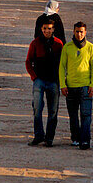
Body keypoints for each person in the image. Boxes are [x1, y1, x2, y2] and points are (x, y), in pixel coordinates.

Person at [59, 21, 93, 149]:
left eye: (82, 32)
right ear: (73, 32)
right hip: (71, 87)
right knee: (73, 115)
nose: (79, 34)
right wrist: (62, 84)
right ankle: (75, 137)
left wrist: (92, 84)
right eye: (77, 31)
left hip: (85, 86)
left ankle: (85, 140)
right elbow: (62, 67)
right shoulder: (67, 47)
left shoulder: (91, 47)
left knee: (86, 114)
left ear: (85, 32)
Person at [25, 18, 63, 146]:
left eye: (50, 28)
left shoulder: (58, 44)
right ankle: (38, 135)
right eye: (45, 28)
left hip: (53, 81)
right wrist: (34, 77)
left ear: (53, 30)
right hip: (39, 81)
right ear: (41, 29)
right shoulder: (35, 43)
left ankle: (49, 138)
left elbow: (63, 64)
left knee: (53, 111)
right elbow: (28, 61)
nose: (47, 31)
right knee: (37, 109)